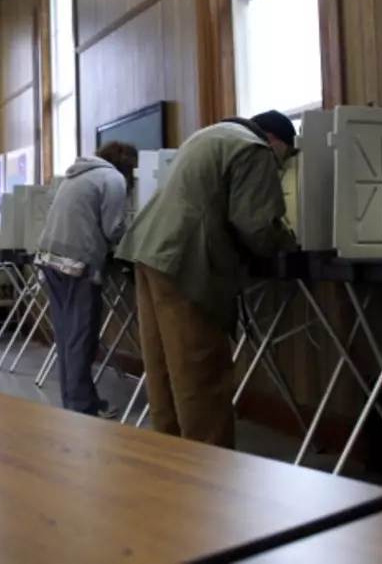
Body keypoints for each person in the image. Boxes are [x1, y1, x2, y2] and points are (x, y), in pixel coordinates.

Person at [115, 111, 297, 448]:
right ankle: (209, 478)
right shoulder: (255, 149)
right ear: (274, 140)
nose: (282, 168)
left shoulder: (210, 135)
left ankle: (170, 469)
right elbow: (256, 227)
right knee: (201, 377)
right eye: (285, 157)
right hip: (185, 263)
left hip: (148, 253)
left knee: (165, 375)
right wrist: (290, 240)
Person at [36, 141, 138, 418]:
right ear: (128, 166)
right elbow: (113, 227)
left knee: (67, 336)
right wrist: (133, 242)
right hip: (77, 263)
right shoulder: (113, 179)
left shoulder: (77, 174)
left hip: (48, 258)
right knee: (82, 337)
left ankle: (76, 401)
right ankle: (82, 409)